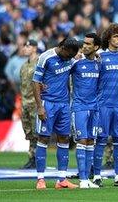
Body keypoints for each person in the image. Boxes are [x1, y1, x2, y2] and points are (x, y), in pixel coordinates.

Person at [33, 37, 80, 190]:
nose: (69, 58)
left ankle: (62, 179)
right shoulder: (46, 57)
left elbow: (80, 61)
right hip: (48, 104)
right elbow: (35, 82)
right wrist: (40, 107)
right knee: (43, 138)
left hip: (64, 104)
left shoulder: (71, 59)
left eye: (72, 56)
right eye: (68, 54)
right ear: (62, 47)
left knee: (64, 138)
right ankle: (40, 179)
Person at [93, 23, 118, 187]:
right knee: (100, 139)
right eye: (116, 36)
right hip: (103, 105)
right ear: (108, 38)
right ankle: (97, 176)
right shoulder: (99, 56)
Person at [71, 33, 101, 189]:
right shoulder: (76, 63)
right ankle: (82, 179)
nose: (85, 46)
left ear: (96, 47)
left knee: (91, 141)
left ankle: (87, 178)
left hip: (94, 108)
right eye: (84, 43)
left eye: (89, 44)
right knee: (82, 141)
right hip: (79, 108)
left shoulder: (99, 64)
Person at [19, 39, 39, 169]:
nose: (26, 48)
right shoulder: (24, 65)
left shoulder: (39, 63)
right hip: (25, 102)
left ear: (35, 48)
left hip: (35, 102)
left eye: (28, 46)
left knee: (37, 132)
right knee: (29, 132)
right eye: (25, 46)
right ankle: (31, 157)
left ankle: (38, 158)